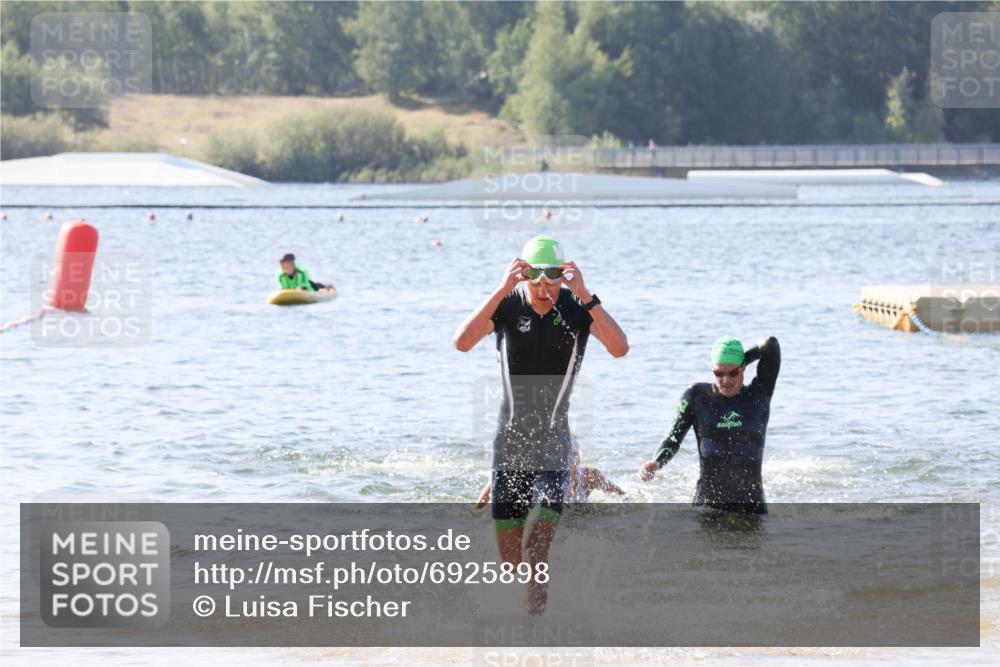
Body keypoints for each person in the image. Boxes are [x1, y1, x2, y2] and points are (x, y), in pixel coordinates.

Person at [453, 235, 629, 615]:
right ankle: (542, 595)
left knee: (536, 547)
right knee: (512, 560)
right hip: (510, 445)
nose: (544, 288)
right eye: (536, 280)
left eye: (552, 280)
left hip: (553, 443)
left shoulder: (577, 309)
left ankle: (539, 633)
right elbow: (462, 342)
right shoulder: (506, 305)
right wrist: (500, 289)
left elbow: (620, 348)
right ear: (524, 274)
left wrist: (588, 296)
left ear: (563, 275)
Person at [640, 335, 781, 515]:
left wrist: (742, 357)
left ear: (743, 368)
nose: (726, 380)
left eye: (733, 373)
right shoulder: (697, 397)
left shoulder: (759, 395)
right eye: (719, 373)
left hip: (752, 508)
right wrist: (656, 462)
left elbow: (771, 346)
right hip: (707, 507)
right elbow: (673, 437)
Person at [475, 441, 625, 509]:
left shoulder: (589, 476)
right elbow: (500, 479)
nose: (563, 460)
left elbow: (621, 495)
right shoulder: (542, 473)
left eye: (569, 455)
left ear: (578, 459)